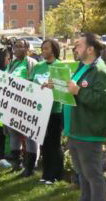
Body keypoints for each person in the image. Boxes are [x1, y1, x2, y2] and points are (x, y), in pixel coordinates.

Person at [64, 32, 106, 201]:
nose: (75, 47)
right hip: (76, 130)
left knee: (93, 175)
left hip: (88, 132)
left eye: (79, 44)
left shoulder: (101, 72)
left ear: (90, 49)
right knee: (83, 174)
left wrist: (79, 91)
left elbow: (103, 102)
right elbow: (71, 91)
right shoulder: (82, 67)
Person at [32, 39, 64, 185]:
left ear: (54, 50)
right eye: (42, 48)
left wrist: (53, 87)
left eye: (46, 48)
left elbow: (64, 91)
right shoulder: (38, 66)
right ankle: (46, 173)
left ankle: (56, 174)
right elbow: (31, 85)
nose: (43, 51)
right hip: (40, 110)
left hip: (55, 111)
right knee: (44, 144)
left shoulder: (60, 66)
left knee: (54, 143)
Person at [6, 39, 38, 177]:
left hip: (27, 105)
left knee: (30, 135)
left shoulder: (31, 63)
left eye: (20, 47)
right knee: (14, 133)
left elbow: (34, 83)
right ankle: (16, 163)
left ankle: (30, 165)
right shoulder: (12, 63)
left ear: (27, 49)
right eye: (15, 46)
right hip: (12, 105)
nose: (17, 49)